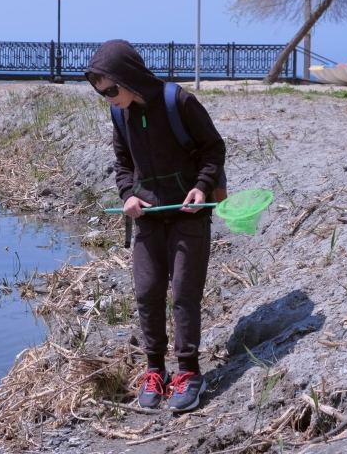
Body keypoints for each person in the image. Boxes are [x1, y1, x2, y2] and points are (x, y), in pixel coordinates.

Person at [85, 40, 225, 413]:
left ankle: (189, 373)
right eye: (102, 94)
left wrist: (201, 186)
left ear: (128, 78)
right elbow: (122, 162)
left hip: (187, 214)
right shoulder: (120, 115)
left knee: (182, 292)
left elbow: (213, 148)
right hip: (147, 218)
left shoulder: (178, 102)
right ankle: (155, 371)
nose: (109, 98)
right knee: (147, 293)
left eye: (112, 90)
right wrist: (128, 194)